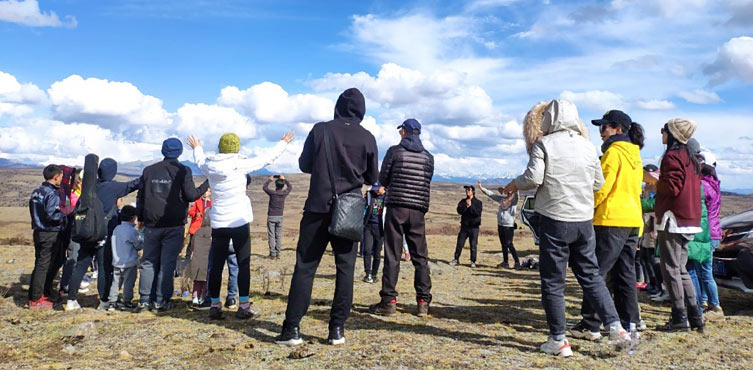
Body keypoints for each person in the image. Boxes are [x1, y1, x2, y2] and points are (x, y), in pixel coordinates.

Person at [500, 100, 632, 357]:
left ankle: (558, 340)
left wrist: (514, 184)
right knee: (591, 275)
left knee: (553, 281)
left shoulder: (544, 144)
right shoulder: (587, 145)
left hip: (555, 219)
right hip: (583, 221)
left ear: (550, 118)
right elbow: (598, 182)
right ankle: (616, 327)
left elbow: (534, 178)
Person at [276, 88, 378, 346]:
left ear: (338, 106)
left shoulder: (320, 129)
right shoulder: (368, 138)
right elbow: (370, 178)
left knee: (306, 267)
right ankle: (336, 330)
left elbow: (304, 165)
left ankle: (291, 330)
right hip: (349, 212)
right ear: (362, 110)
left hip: (317, 209)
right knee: (345, 270)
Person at [187, 130, 293, 319]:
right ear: (236, 148)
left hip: (219, 221)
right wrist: (283, 143)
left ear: (220, 148)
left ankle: (214, 305)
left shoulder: (209, 166)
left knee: (217, 265)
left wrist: (197, 147)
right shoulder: (241, 164)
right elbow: (266, 158)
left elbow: (199, 160)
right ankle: (243, 305)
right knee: (243, 263)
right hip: (239, 221)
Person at [570, 110, 644, 340]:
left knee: (596, 273)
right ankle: (630, 322)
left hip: (611, 220)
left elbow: (602, 187)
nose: (600, 132)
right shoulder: (635, 155)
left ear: (618, 129)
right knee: (625, 274)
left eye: (604, 127)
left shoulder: (613, 153)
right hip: (632, 221)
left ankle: (590, 324)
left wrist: (585, 207)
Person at [368, 118, 434, 317]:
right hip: (418, 210)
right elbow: (427, 180)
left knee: (392, 254)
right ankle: (423, 301)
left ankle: (389, 301)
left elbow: (384, 178)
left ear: (404, 132)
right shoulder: (428, 157)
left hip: (396, 207)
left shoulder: (395, 152)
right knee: (420, 256)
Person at [136, 138, 210, 312]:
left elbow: (141, 197)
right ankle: (161, 301)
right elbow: (192, 195)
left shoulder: (149, 171)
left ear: (163, 151)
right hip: (174, 224)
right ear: (179, 152)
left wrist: (141, 218)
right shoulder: (183, 171)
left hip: (152, 224)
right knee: (167, 263)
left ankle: (144, 300)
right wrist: (208, 182)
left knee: (148, 261)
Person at [654, 119, 704, 332]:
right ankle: (695, 316)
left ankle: (679, 318)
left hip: (674, 219)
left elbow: (672, 187)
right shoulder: (691, 158)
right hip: (688, 220)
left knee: (671, 269)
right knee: (681, 269)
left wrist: (654, 181)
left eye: (664, 130)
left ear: (672, 134)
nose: (662, 134)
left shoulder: (673, 156)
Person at [28, 165, 71, 309]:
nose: (61, 179)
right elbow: (52, 215)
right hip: (50, 232)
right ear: (56, 177)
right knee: (44, 264)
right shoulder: (52, 193)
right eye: (60, 176)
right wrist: (66, 214)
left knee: (40, 263)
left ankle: (37, 293)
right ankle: (36, 299)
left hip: (38, 231)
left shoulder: (37, 191)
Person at [698, 149, 723, 320]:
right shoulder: (712, 183)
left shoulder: (704, 186)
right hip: (713, 232)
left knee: (705, 272)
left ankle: (715, 307)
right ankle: (705, 302)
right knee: (703, 270)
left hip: (708, 233)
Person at [477, 179, 520, 269]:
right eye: (504, 192)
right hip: (500, 224)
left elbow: (517, 195)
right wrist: (481, 188)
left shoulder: (513, 202)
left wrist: (515, 188)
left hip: (509, 225)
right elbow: (491, 194)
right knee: (503, 244)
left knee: (509, 243)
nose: (504, 193)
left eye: (506, 191)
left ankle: (517, 262)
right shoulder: (501, 200)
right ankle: (505, 262)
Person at [107, 205, 143, 310]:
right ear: (134, 217)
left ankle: (112, 301)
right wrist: (142, 233)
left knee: (116, 282)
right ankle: (127, 301)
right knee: (128, 283)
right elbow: (138, 245)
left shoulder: (117, 229)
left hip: (117, 261)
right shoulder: (132, 231)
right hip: (129, 262)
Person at [450, 185, 482, 268]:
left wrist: (471, 206)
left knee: (473, 244)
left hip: (474, 227)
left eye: (469, 190)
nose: (467, 191)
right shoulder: (463, 201)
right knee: (460, 243)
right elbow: (459, 211)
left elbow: (477, 213)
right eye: (466, 190)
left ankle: (473, 261)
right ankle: (456, 259)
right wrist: (466, 206)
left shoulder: (478, 202)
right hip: (464, 227)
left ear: (473, 192)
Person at [186, 208, 212, 307]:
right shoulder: (214, 232)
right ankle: (203, 297)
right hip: (207, 262)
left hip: (197, 260)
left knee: (197, 282)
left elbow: (192, 246)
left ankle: (195, 297)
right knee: (205, 282)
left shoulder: (197, 232)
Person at [361, 183, 385, 283]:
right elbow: (363, 207)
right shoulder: (369, 195)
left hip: (380, 228)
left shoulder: (388, 197)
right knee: (367, 250)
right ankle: (368, 274)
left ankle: (374, 274)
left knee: (377, 252)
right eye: (374, 189)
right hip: (368, 226)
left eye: (377, 189)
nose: (375, 191)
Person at [263, 175, 292, 259]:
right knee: (278, 235)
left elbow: (264, 187)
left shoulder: (272, 193)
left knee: (271, 235)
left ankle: (272, 254)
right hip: (280, 216)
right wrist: (285, 179)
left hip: (271, 216)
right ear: (282, 185)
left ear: (276, 185)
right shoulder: (284, 193)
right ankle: (278, 253)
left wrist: (269, 180)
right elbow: (290, 187)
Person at [186, 188, 212, 260]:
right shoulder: (197, 201)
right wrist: (195, 214)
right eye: (206, 191)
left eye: (208, 191)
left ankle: (201, 258)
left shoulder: (212, 202)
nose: (207, 193)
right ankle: (187, 257)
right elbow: (190, 211)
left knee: (205, 243)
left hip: (207, 225)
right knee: (192, 243)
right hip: (197, 225)